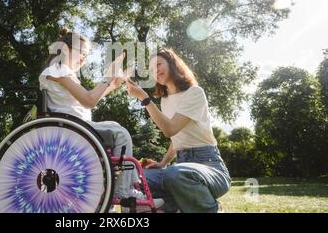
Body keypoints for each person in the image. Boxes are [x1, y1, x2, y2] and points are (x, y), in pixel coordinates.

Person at [38, 28, 143, 203]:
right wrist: (107, 77)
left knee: (116, 127)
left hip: (75, 126)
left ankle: (123, 188)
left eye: (86, 56)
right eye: (82, 53)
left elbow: (87, 99)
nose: (83, 59)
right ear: (65, 49)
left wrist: (112, 84)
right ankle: (123, 191)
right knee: (121, 134)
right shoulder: (58, 69)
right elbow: (89, 101)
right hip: (73, 128)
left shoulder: (60, 71)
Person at [125, 48, 231, 213]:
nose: (155, 71)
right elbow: (177, 138)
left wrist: (144, 99)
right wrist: (162, 163)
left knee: (175, 174)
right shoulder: (165, 101)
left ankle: (213, 209)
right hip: (181, 166)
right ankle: (176, 206)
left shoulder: (194, 92)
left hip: (209, 165)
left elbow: (170, 130)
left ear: (173, 64)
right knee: (134, 179)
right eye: (152, 70)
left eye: (158, 64)